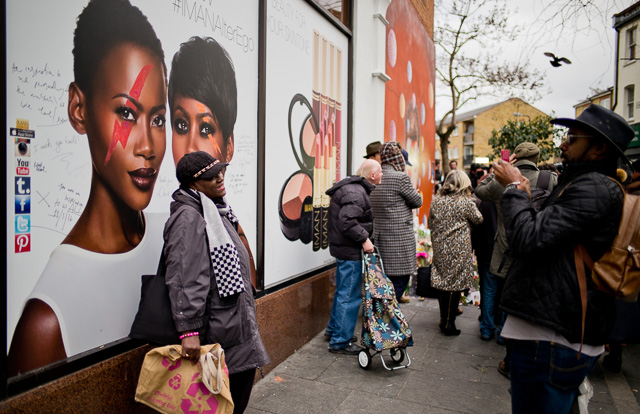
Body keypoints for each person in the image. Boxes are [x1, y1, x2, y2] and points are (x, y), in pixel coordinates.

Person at [8, 0, 168, 375]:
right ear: (78, 108)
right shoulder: (46, 322)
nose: (147, 146)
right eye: (126, 114)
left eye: (158, 118)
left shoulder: (173, 235)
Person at [492, 104, 634, 414]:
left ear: (598, 149)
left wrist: (515, 188)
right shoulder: (584, 183)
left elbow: (528, 239)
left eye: (572, 137)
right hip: (552, 331)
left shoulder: (594, 188)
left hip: (552, 338)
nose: (563, 143)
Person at [165, 151, 269, 413]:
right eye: (210, 175)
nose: (219, 177)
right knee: (222, 403)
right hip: (217, 328)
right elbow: (184, 276)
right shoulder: (189, 216)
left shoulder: (214, 210)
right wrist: (188, 331)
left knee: (232, 400)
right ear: (193, 184)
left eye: (220, 170)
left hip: (232, 323)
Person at [168, 36, 257, 288]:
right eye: (181, 125)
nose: (191, 147)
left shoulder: (224, 213)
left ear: (228, 147)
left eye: (206, 128)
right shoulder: (187, 218)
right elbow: (185, 293)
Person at [475, 143, 557, 346]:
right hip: (535, 245)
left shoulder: (502, 181)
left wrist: (500, 170)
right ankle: (505, 332)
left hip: (504, 244)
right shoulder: (550, 179)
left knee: (492, 288)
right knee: (515, 291)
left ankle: (487, 329)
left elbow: (480, 191)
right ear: (537, 158)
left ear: (515, 158)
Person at [323, 159, 381, 355]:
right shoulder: (356, 192)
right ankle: (340, 341)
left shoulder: (355, 189)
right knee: (349, 295)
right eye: (380, 172)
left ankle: (334, 331)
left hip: (345, 250)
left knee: (343, 292)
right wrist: (365, 239)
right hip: (350, 251)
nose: (382, 175)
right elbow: (347, 222)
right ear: (372, 175)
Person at [429, 170, 483, 336]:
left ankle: (443, 319)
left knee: (443, 283)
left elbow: (431, 222)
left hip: (440, 247)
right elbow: (479, 219)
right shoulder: (465, 202)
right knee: (454, 286)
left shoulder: (437, 201)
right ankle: (448, 323)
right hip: (458, 249)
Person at [370, 142, 423, 303]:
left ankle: (382, 313)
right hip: (399, 238)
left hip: (379, 235)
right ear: (397, 158)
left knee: (384, 277)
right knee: (400, 280)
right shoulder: (400, 177)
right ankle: (387, 316)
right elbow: (417, 201)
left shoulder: (375, 175)